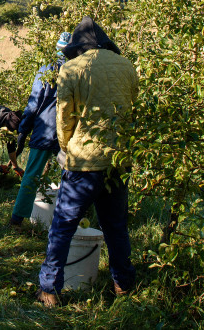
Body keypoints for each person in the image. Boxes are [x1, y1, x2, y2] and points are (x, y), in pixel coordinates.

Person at [37, 17, 139, 307]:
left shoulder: (71, 69)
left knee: (63, 226)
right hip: (117, 159)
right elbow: (132, 110)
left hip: (84, 161)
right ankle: (123, 285)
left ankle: (49, 290)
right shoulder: (127, 66)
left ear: (78, 48)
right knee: (116, 226)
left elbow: (64, 117)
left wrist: (69, 149)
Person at [10, 32, 71, 227]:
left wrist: (23, 129)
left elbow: (34, 103)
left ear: (56, 48)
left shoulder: (46, 69)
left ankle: (17, 220)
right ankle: (67, 220)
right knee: (71, 175)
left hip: (44, 130)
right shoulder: (76, 70)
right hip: (67, 132)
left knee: (31, 175)